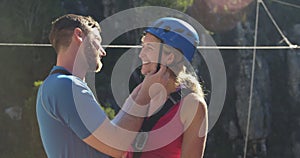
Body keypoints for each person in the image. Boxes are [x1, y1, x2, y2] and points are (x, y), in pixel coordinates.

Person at [36, 14, 168, 158]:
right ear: (79, 35)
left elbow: (113, 129)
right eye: (98, 41)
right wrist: (144, 96)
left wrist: (143, 88)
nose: (103, 52)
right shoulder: (66, 86)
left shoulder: (56, 85)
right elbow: (116, 146)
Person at [126, 17, 208, 158]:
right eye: (142, 47)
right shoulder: (140, 92)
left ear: (170, 57)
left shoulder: (192, 105)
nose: (141, 54)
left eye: (149, 48)